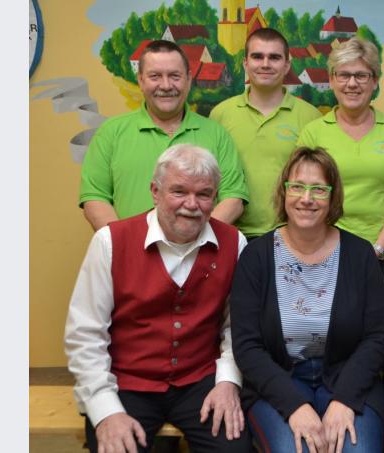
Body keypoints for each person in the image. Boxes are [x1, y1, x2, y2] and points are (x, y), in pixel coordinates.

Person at [65, 144, 252, 453]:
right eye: (179, 191)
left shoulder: (234, 242)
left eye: (204, 194)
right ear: (155, 191)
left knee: (235, 448)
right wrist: (106, 411)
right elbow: (85, 334)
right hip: (128, 383)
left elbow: (237, 326)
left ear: (215, 197)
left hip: (200, 381)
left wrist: (228, 382)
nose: (191, 205)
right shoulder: (110, 241)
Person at [231, 147, 384, 453]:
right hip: (279, 382)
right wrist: (294, 406)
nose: (306, 198)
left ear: (333, 197)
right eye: (297, 187)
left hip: (348, 381)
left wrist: (344, 401)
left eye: (319, 189)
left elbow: (377, 338)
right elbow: (247, 346)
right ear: (283, 192)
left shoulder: (360, 255)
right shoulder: (256, 256)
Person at [80, 39, 249, 231]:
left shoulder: (217, 134)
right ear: (141, 80)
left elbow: (233, 199)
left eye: (175, 76)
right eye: (155, 76)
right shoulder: (110, 132)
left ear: (188, 79)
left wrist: (196, 243)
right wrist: (125, 246)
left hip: (199, 257)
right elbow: (95, 198)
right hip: (131, 257)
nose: (166, 85)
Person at [297, 37, 384, 261]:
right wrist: (327, 249)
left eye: (361, 75)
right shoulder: (312, 133)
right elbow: (304, 197)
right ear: (332, 80)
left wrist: (378, 250)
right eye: (343, 75)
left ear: (375, 81)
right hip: (326, 252)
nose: (352, 84)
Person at [210, 28, 322, 239]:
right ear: (245, 63)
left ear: (287, 65)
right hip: (230, 235)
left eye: (274, 57)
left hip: (291, 238)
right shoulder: (220, 114)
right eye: (257, 56)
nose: (265, 64)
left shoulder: (310, 117)